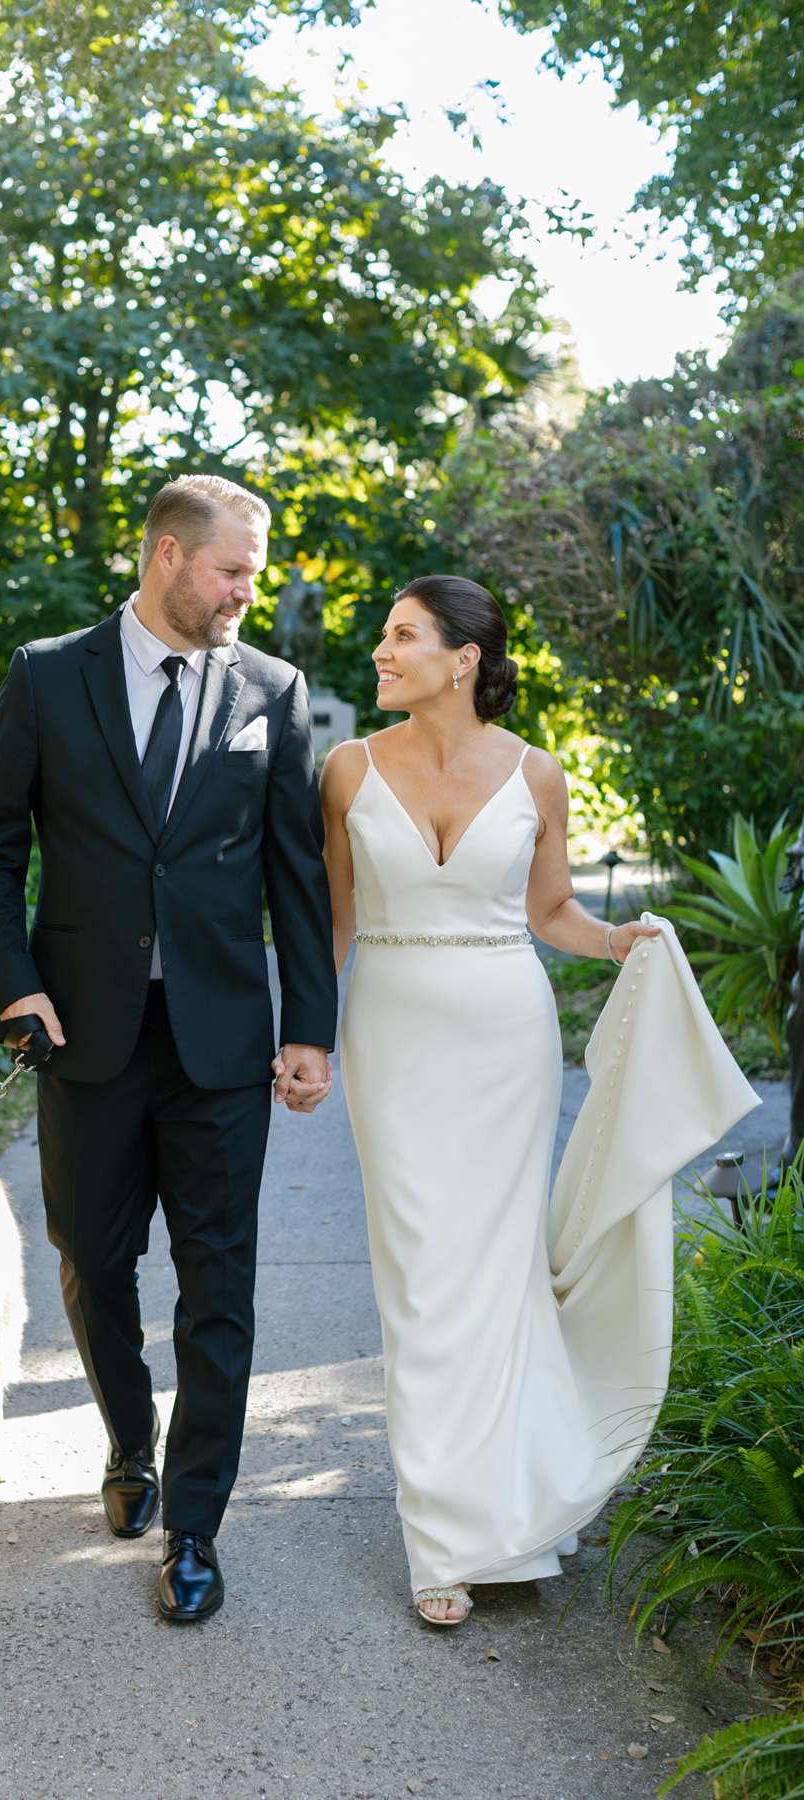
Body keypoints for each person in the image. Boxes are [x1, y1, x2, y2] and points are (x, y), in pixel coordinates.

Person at [0, 474, 338, 1623]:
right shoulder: (46, 675)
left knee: (219, 1284)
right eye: (232, 572)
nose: (243, 594)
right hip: (86, 1032)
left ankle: (196, 1525)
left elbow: (295, 874)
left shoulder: (272, 688)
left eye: (251, 577)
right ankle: (130, 1441)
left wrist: (310, 1027)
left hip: (224, 1040)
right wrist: (17, 989)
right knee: (92, 1257)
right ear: (169, 555)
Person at [320, 575, 663, 1627]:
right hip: (392, 1031)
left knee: (497, 1272)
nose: (381, 652)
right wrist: (296, 1041)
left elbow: (550, 909)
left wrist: (621, 943)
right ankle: (441, 1541)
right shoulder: (343, 771)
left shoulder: (539, 775)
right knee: (421, 1281)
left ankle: (503, 1512)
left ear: (462, 657)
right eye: (384, 635)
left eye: (402, 636)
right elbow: (331, 925)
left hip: (506, 1037)